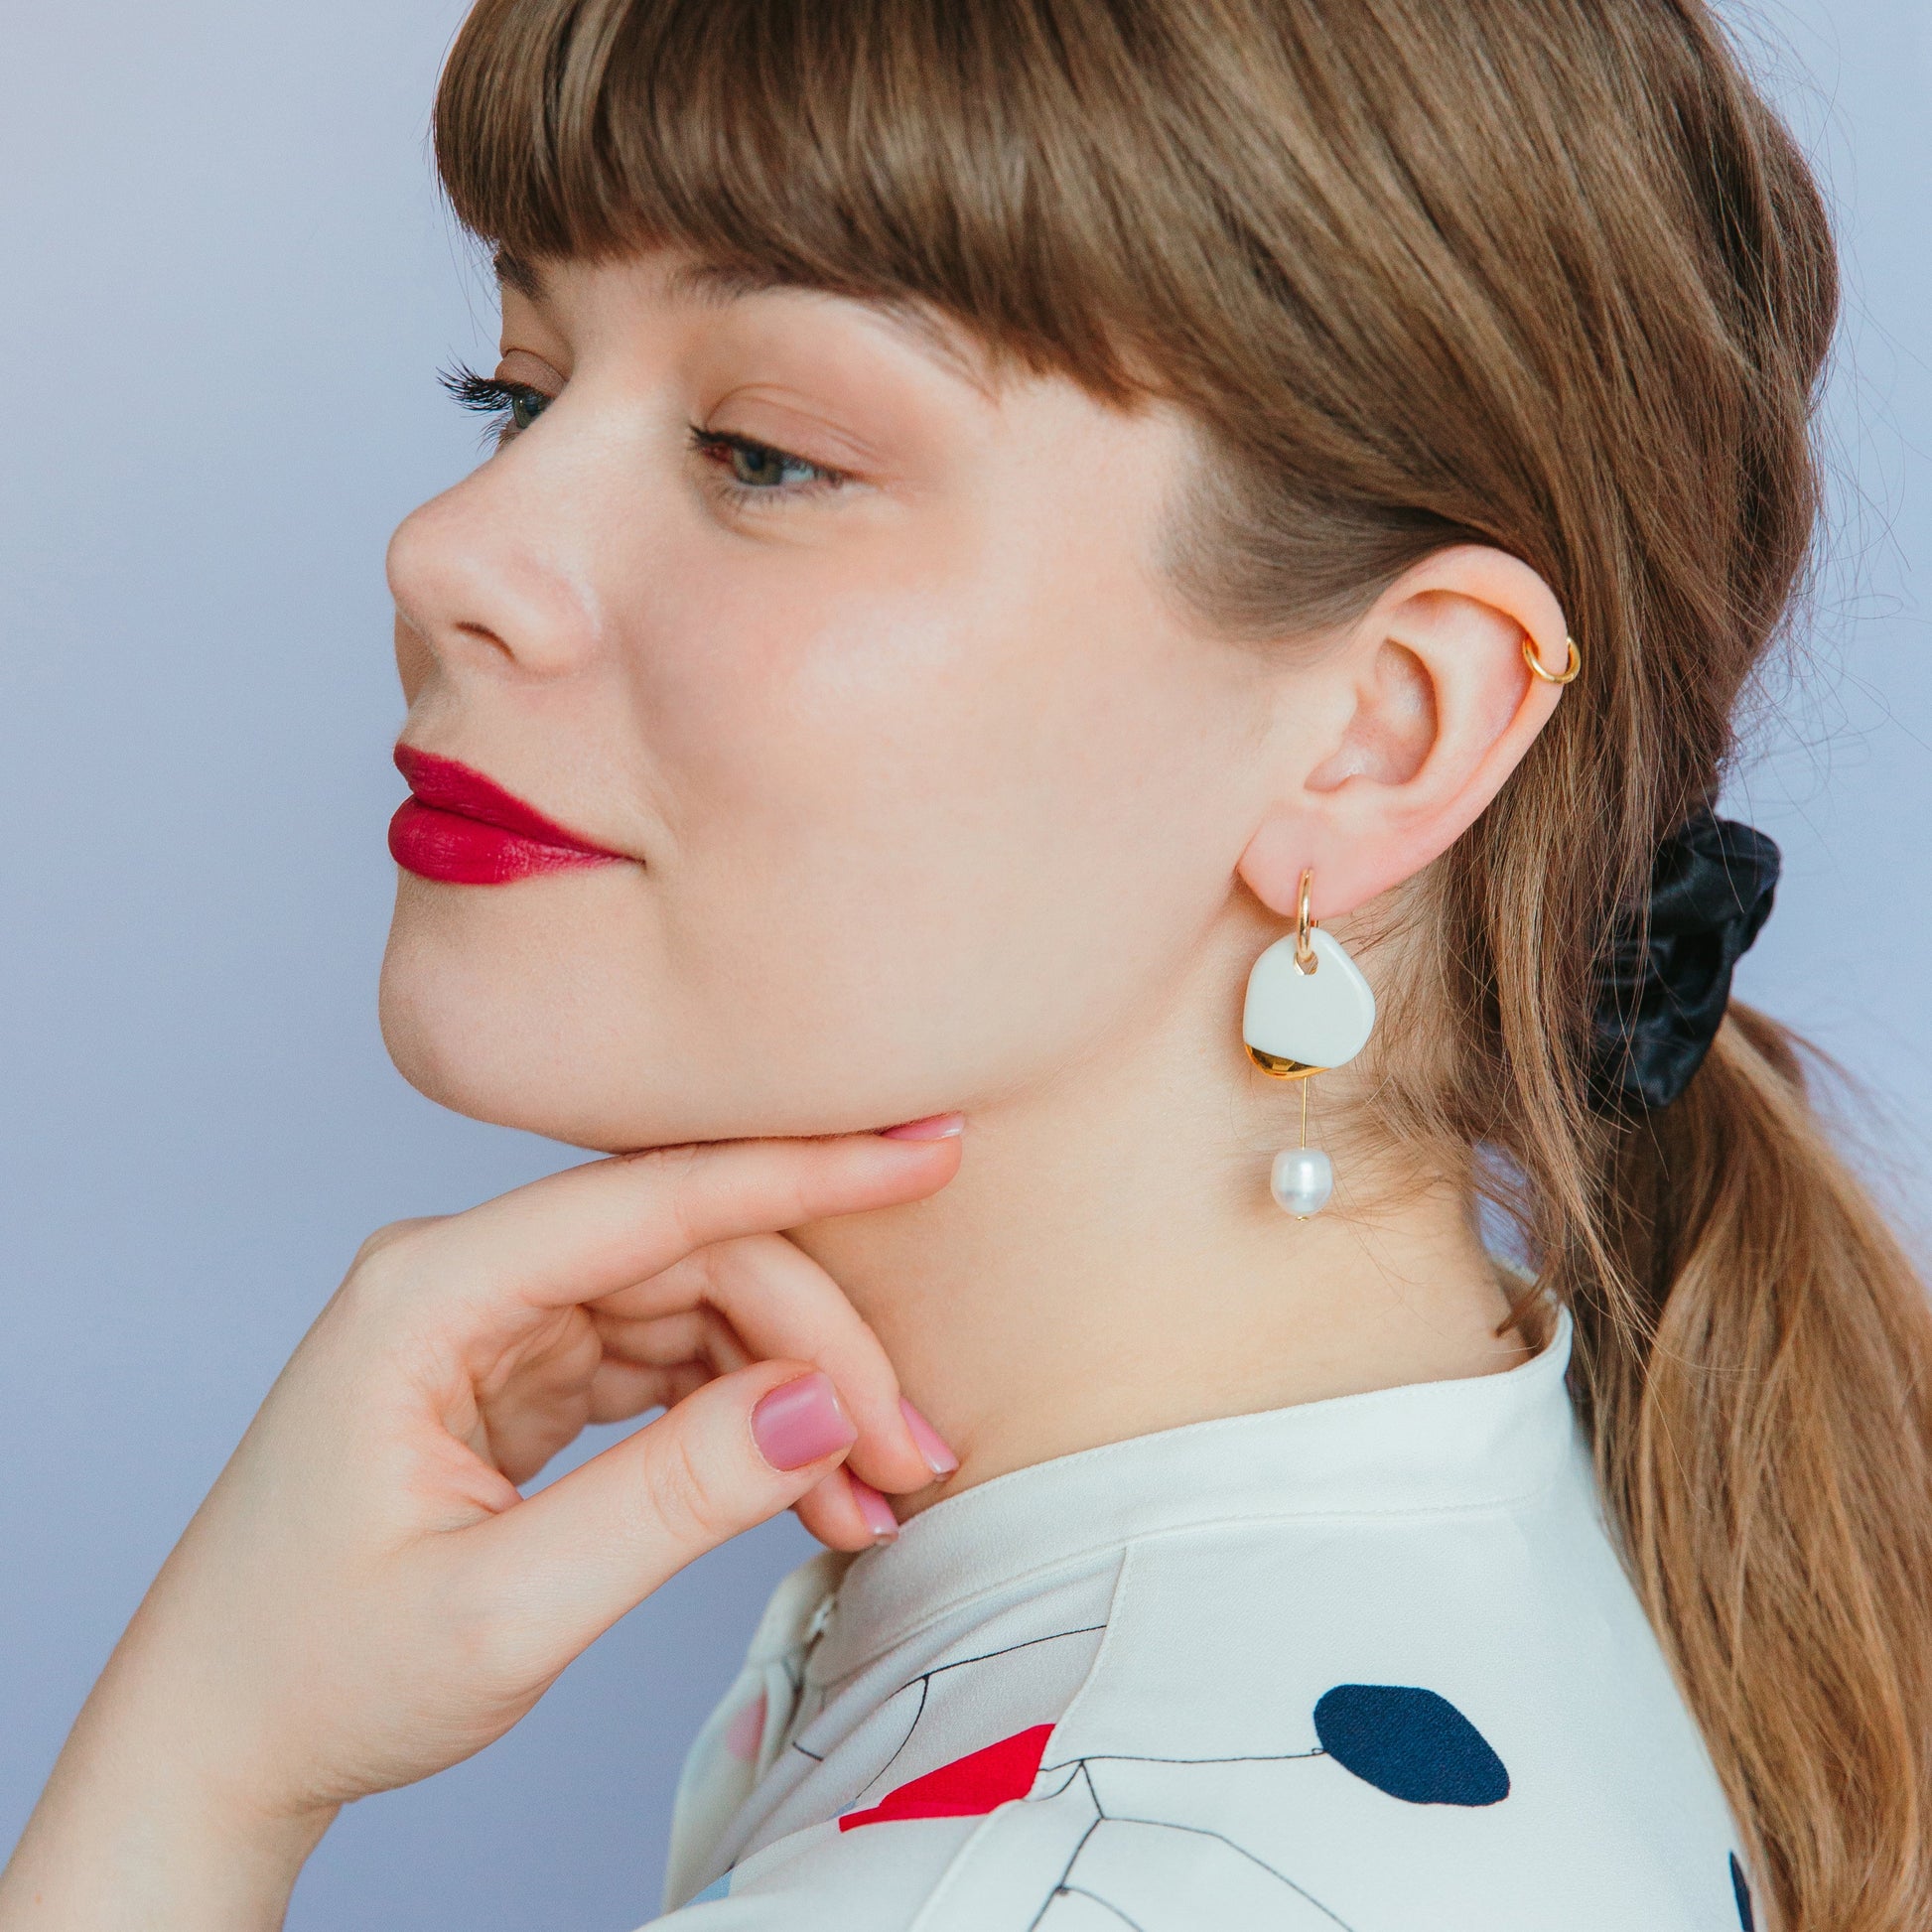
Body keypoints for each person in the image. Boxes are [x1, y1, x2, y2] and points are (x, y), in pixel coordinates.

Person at [5, 0, 1930, 1926]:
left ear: (1384, 728)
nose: (454, 551)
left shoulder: (1045, 1881)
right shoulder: (1532, 1501)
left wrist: (195, 1773)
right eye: (513, 391)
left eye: (763, 453)